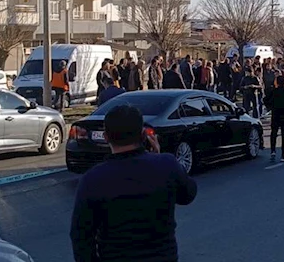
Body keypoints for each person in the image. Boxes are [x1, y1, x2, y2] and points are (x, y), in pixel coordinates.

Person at [70, 104, 197, 262]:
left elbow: (81, 235)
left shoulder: (93, 179)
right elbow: (188, 194)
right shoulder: (166, 165)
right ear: (143, 135)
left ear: (106, 137)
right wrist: (159, 157)